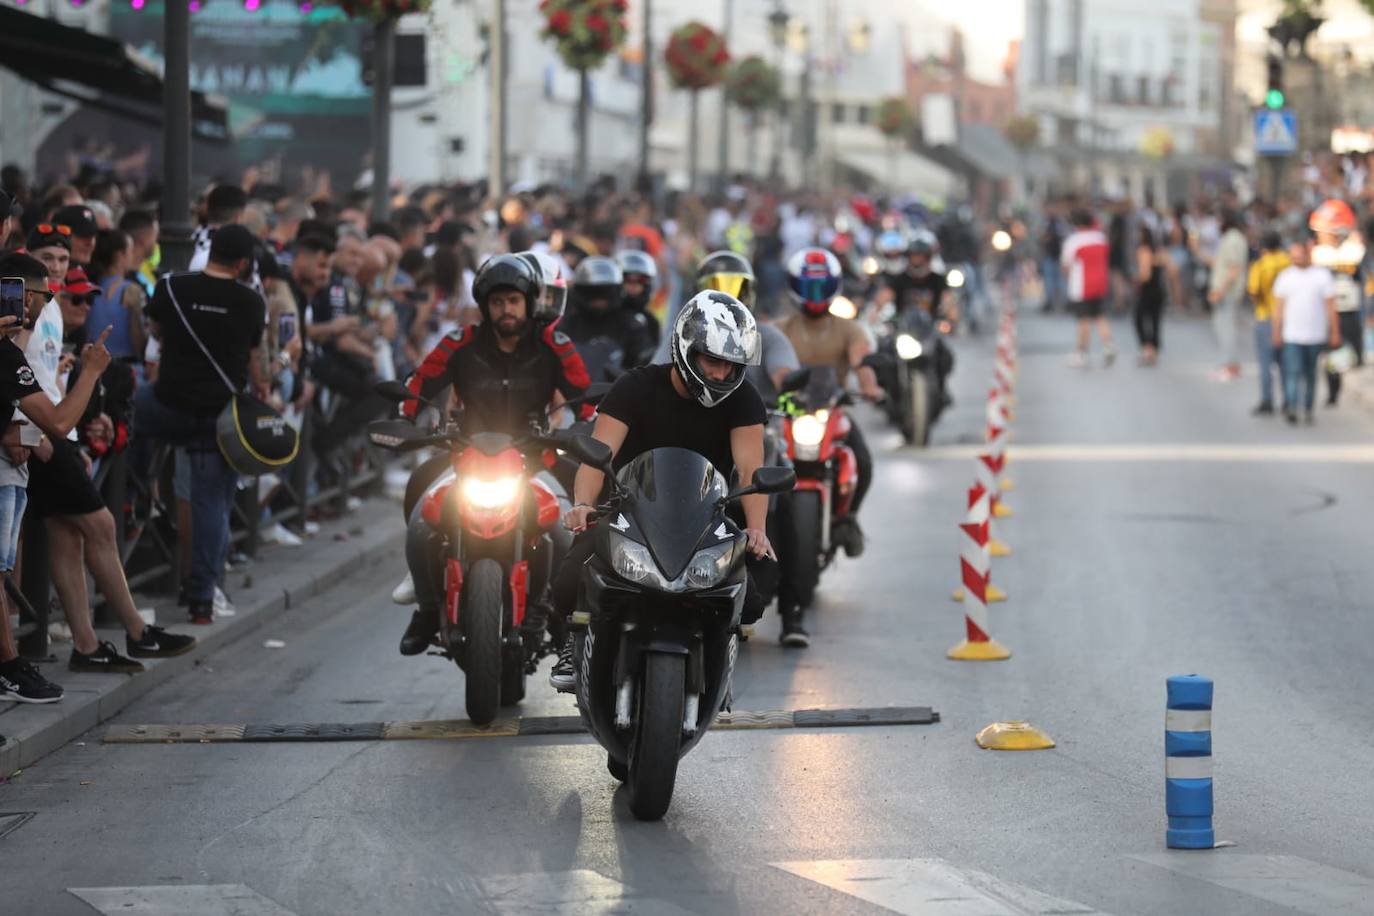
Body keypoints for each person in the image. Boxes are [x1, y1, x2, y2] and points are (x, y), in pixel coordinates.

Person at [548, 290, 776, 690]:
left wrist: (756, 528)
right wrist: (583, 505)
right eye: (713, 360)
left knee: (757, 594)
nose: (721, 374)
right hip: (628, 509)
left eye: (731, 365)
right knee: (570, 577)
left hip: (707, 514)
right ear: (686, 347)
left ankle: (717, 647)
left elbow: (750, 469)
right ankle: (573, 640)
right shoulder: (634, 387)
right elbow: (596, 458)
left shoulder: (743, 400)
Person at [393, 254, 591, 654]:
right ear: (485, 306)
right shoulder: (459, 342)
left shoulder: (554, 346)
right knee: (419, 515)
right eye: (498, 302)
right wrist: (407, 416)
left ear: (529, 303)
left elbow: (586, 397)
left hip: (535, 459)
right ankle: (429, 609)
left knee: (568, 528)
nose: (507, 310)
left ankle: (559, 611)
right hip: (466, 457)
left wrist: (585, 427)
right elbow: (420, 382)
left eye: (514, 301)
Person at [0, 253, 134, 701]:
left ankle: (13, 664)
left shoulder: (9, 348)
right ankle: (11, 665)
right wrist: (92, 373)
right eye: (42, 294)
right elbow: (58, 421)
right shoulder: (6, 353)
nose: (46, 302)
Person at [134, 225, 269, 624]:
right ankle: (201, 601)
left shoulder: (172, 287)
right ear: (243, 263)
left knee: (129, 408)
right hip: (219, 420)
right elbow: (251, 354)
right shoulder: (250, 301)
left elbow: (156, 330)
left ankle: (136, 485)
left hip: (168, 406)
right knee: (213, 504)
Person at [775, 248, 883, 556]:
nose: (815, 295)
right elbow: (770, 368)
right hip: (787, 414)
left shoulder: (849, 328)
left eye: (822, 287)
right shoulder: (781, 329)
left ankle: (848, 517)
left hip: (831, 411)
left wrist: (870, 386)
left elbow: (862, 363)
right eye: (809, 287)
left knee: (862, 459)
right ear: (795, 287)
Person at [694, 250, 799, 401]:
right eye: (718, 290)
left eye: (737, 289)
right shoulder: (684, 335)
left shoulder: (767, 337)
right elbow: (661, 378)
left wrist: (788, 389)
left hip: (762, 421)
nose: (729, 301)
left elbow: (783, 372)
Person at [1272, 240, 1340, 425]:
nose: (1296, 260)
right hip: (1292, 335)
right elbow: (1278, 308)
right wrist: (1276, 331)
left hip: (1315, 335)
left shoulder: (1322, 276)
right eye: (1293, 256)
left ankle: (1308, 408)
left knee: (1310, 374)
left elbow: (1331, 307)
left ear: (1307, 254)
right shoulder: (1285, 277)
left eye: (1299, 256)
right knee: (1292, 372)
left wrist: (1334, 332)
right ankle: (1292, 407)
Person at [559, 256, 653, 380]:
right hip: (572, 393)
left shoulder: (631, 325)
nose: (599, 299)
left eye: (605, 292)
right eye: (592, 292)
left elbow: (642, 365)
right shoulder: (567, 323)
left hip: (615, 394)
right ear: (580, 290)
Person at [1061, 209, 1115, 367]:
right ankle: (1108, 345)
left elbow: (1066, 265)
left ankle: (1081, 353)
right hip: (1101, 282)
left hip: (1081, 285)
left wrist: (1069, 280)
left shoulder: (1074, 241)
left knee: (1083, 319)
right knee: (1099, 315)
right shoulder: (1100, 237)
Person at [1246, 231, 1291, 416]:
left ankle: (1267, 400)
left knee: (1266, 363)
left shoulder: (1260, 265)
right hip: (1288, 318)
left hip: (1265, 316)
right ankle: (1289, 399)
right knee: (1285, 363)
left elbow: (1254, 292)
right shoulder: (1288, 262)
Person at [1207, 211, 1248, 382]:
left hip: (1228, 292)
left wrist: (1220, 291)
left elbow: (1233, 269)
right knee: (1223, 327)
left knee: (1227, 329)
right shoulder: (1231, 239)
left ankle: (1230, 365)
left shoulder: (1233, 239)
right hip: (1226, 290)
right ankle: (1229, 364)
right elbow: (1220, 264)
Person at [615, 249, 661, 356]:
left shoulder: (651, 322)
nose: (633, 285)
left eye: (641, 280)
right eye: (627, 279)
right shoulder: (605, 314)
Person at [1133, 226, 1166, 365]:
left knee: (1139, 318)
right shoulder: (1158, 251)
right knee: (1155, 321)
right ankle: (1154, 350)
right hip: (1159, 289)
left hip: (1148, 290)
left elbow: (1145, 274)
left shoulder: (1143, 250)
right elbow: (1171, 268)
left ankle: (1147, 348)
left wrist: (1136, 280)